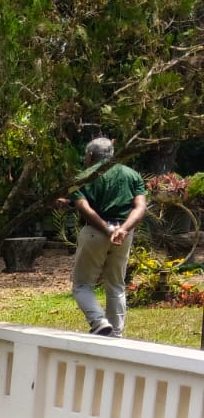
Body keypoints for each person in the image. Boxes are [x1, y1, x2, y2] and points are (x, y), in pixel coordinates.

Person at [68, 136, 148, 337]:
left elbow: (83, 208)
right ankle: (116, 334)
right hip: (124, 234)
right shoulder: (132, 175)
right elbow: (140, 207)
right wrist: (122, 230)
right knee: (117, 285)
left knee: (82, 285)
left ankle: (98, 321)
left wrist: (106, 229)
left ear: (90, 155)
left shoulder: (82, 177)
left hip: (95, 233)